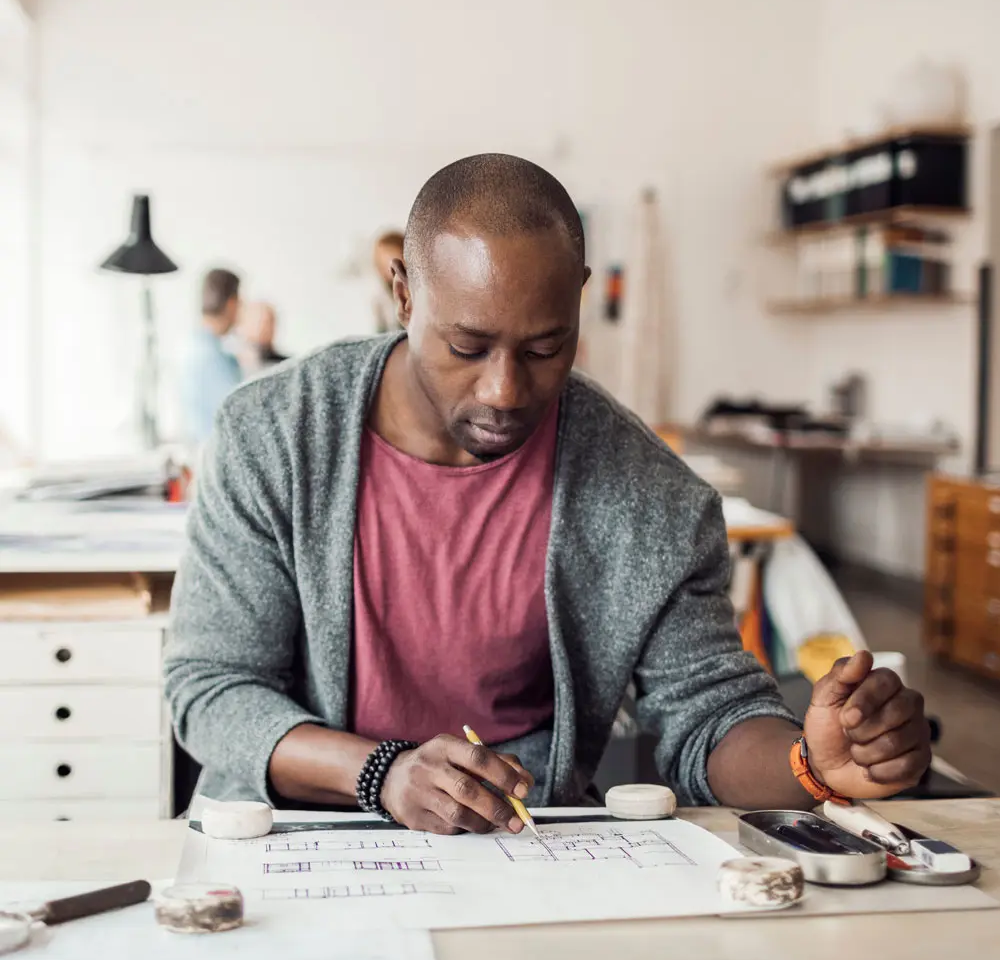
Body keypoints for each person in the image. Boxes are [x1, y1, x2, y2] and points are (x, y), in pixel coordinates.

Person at [165, 154, 931, 835]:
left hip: (525, 846)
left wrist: (813, 763)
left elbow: (708, 718)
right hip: (291, 837)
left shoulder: (648, 496)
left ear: (579, 301)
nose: (504, 390)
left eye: (544, 347)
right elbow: (212, 688)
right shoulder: (272, 435)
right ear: (402, 292)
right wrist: (383, 772)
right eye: (467, 346)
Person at [179, 268, 242, 446]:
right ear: (231, 304)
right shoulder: (211, 357)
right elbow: (239, 414)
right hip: (214, 455)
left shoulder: (193, 346)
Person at [235, 300, 288, 376]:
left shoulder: (287, 365)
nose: (263, 328)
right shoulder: (232, 364)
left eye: (268, 322)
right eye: (257, 323)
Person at [371, 230, 404, 333]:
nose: (388, 265)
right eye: (382, 260)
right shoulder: (380, 299)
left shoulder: (420, 290)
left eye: (391, 256)